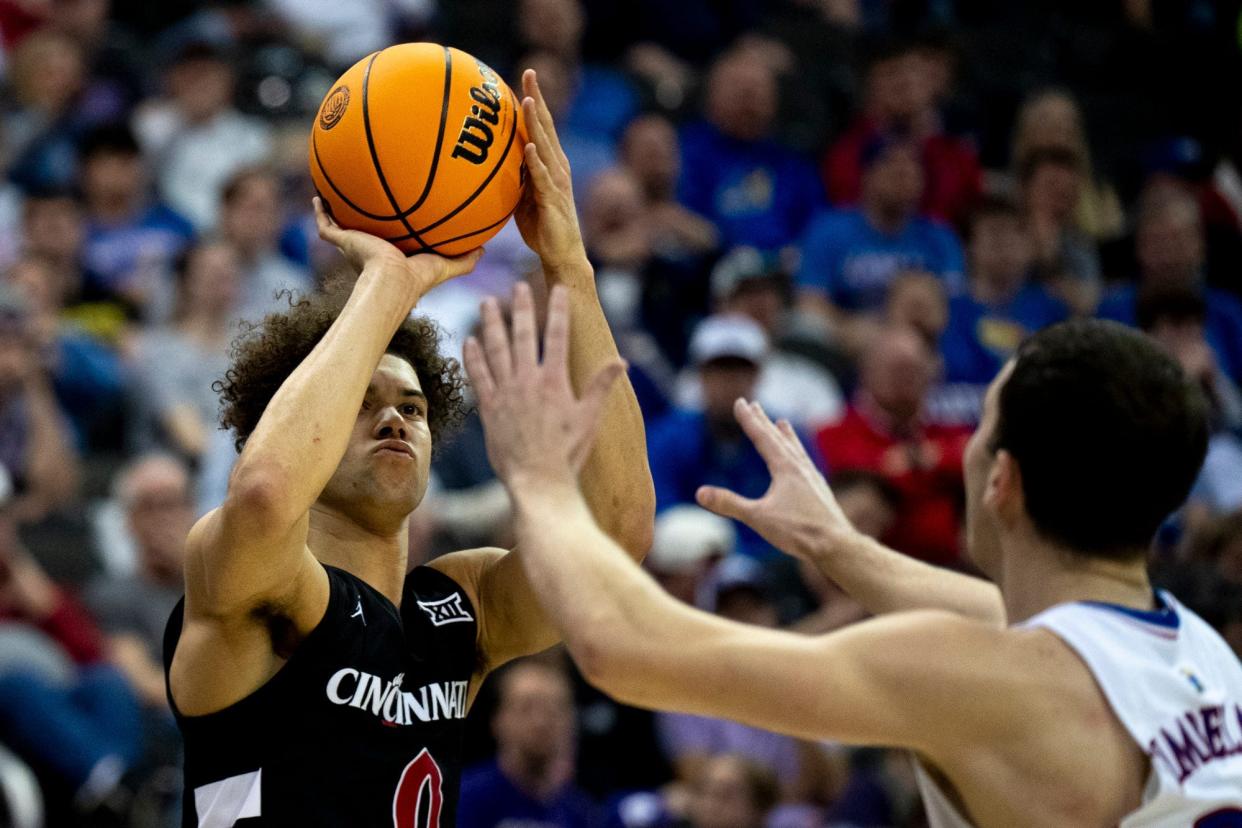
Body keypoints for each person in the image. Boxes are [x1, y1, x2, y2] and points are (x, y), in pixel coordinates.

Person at [462, 286, 1242, 824]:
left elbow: (627, 647)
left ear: (1000, 479)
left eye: (981, 426)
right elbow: (1003, 616)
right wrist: (839, 548)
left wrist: (541, 480)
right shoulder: (1198, 654)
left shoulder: (985, 680)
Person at [162, 71, 654, 826]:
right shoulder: (256, 587)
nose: (395, 421)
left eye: (414, 408)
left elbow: (616, 539)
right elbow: (264, 493)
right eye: (362, 405)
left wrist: (570, 269)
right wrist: (389, 281)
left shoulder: (462, 613)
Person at [798, 135, 965, 356]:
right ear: (867, 175)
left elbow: (956, 309)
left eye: (912, 168)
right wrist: (848, 328)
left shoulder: (941, 238)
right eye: (891, 165)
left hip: (925, 349)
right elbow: (810, 304)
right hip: (847, 347)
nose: (903, 175)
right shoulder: (829, 231)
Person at [816, 327, 969, 566]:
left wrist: (919, 460)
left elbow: (977, 461)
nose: (906, 378)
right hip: (872, 569)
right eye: (896, 369)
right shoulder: (836, 432)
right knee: (863, 502)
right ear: (867, 372)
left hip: (953, 565)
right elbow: (857, 474)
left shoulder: (950, 433)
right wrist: (931, 469)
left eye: (914, 369)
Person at [677, 47, 823, 252]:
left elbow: (815, 225)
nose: (749, 101)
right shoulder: (685, 153)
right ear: (711, 95)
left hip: (784, 271)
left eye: (757, 91)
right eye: (739, 90)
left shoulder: (792, 160)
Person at [458, 658, 595, 828]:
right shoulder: (464, 798)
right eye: (526, 708)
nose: (541, 722)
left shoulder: (580, 811)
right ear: (498, 720)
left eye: (554, 710)